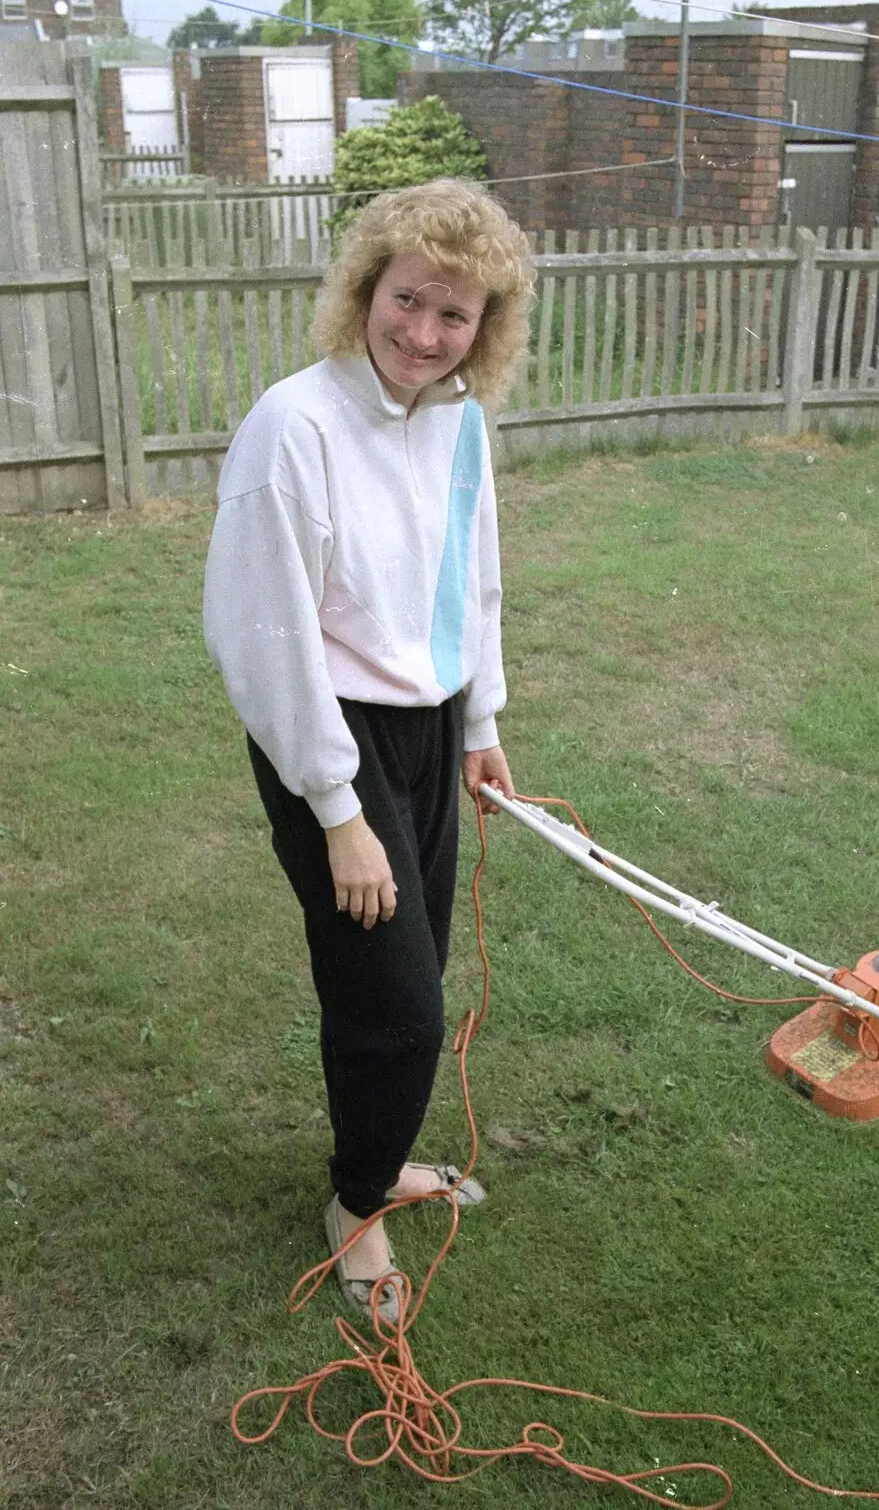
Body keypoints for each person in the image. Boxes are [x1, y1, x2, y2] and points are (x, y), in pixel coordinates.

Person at [203, 178, 534, 1322]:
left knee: (412, 971)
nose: (424, 333)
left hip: (429, 730)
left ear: (483, 329)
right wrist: (338, 809)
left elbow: (470, 583)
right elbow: (264, 633)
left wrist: (479, 725)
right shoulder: (291, 424)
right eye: (408, 300)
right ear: (364, 289)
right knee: (395, 1001)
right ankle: (354, 1208)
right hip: (327, 742)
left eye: (456, 315)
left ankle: (380, 1153)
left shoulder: (457, 419)